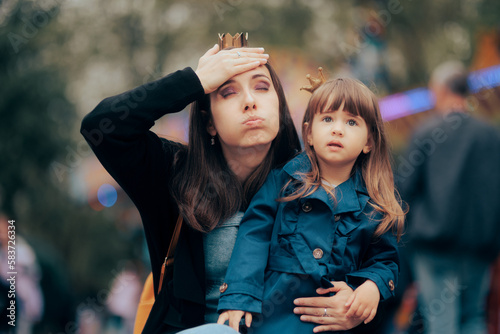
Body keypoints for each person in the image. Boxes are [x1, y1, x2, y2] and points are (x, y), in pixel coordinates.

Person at [81, 37, 366, 333]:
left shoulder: (317, 181)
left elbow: (380, 259)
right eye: (228, 92)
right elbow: (102, 126)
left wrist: (355, 305)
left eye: (261, 87)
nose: (250, 101)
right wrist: (194, 81)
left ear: (280, 107)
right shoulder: (174, 173)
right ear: (209, 122)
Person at [217, 77, 405, 333]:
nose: (337, 129)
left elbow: (385, 261)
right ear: (309, 133)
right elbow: (253, 237)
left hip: (337, 324)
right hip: (275, 320)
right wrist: (239, 296)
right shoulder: (282, 182)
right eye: (327, 119)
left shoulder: (376, 204)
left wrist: (372, 287)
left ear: (368, 142)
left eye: (351, 122)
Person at [397, 60, 500, 334]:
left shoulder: (426, 132)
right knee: (473, 318)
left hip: (434, 249)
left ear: (440, 90)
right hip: (480, 248)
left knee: (441, 323)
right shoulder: (491, 136)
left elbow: (405, 191)